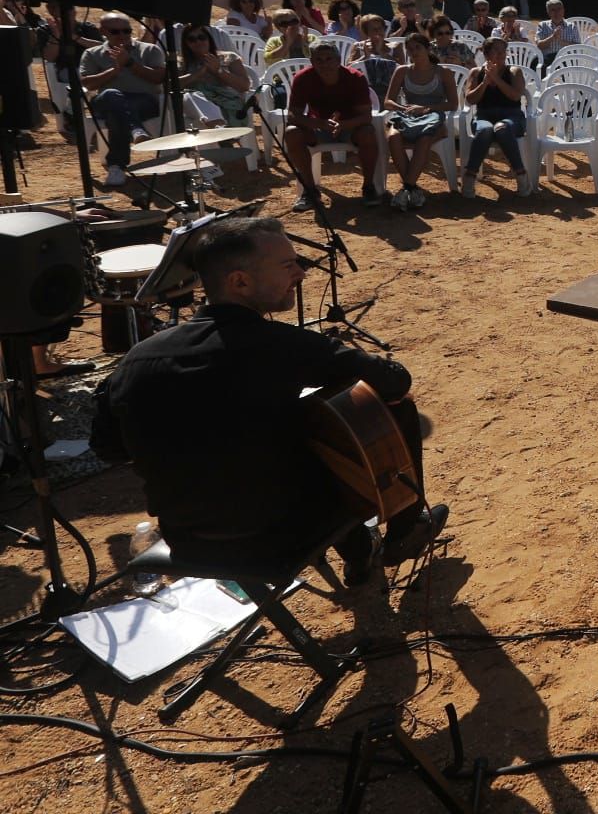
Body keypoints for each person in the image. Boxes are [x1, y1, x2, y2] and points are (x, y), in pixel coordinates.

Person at [89, 217, 447, 587]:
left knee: (276, 449)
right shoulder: (279, 345)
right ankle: (404, 531)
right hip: (279, 536)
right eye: (287, 265)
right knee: (379, 411)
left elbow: (107, 447)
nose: (301, 274)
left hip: (189, 541)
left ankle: (361, 553)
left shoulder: (137, 358)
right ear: (240, 281)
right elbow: (394, 381)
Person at [283, 43, 380, 210]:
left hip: (350, 127)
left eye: (329, 59)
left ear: (338, 60)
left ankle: (369, 187)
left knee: (368, 132)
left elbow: (366, 116)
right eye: (319, 60)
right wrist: (320, 123)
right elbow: (292, 115)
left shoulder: (355, 78)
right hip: (318, 126)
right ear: (312, 62)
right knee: (291, 133)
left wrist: (342, 125)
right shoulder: (303, 78)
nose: (324, 64)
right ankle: (310, 190)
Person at [79, 11, 166, 187]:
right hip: (106, 99)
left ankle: (116, 166)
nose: (122, 36)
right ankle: (137, 131)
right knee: (112, 95)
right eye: (115, 32)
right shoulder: (92, 54)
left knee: (117, 114)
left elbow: (159, 78)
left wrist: (130, 64)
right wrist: (115, 70)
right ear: (103, 31)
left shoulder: (149, 50)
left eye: (126, 31)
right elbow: (87, 83)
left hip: (143, 101)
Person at [384, 33, 455, 210]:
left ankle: (406, 188)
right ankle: (412, 189)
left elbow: (453, 103)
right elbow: (388, 101)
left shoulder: (443, 72)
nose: (414, 52)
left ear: (427, 48)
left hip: (433, 115)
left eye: (418, 47)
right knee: (393, 136)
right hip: (407, 114)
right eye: (410, 49)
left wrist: (426, 108)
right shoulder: (402, 71)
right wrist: (403, 108)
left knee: (424, 139)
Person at [462, 37, 532, 197]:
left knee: (502, 128)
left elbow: (515, 96)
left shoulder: (514, 71)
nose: (501, 54)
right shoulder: (476, 72)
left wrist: (496, 79)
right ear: (487, 54)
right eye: (496, 50)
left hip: (512, 116)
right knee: (485, 130)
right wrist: (485, 82)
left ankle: (521, 175)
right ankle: (470, 176)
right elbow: (470, 99)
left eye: (503, 50)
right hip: (484, 116)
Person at [176, 24, 254, 126]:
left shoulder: (229, 57)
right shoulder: (182, 63)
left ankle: (217, 128)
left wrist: (219, 71)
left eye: (201, 37)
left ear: (209, 39)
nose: (198, 42)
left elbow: (244, 86)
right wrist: (198, 73)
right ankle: (217, 127)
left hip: (229, 107)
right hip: (196, 110)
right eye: (192, 39)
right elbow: (171, 86)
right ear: (186, 44)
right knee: (191, 96)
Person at [347, 13, 398, 94]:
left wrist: (382, 53)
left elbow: (401, 67)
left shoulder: (395, 46)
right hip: (364, 89)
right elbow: (348, 67)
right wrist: (365, 57)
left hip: (389, 89)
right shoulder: (358, 46)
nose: (378, 32)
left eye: (380, 28)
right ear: (367, 32)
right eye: (373, 29)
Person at [535, 0, 579, 67]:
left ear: (563, 10)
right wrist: (553, 37)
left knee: (571, 64)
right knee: (537, 64)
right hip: (547, 59)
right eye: (553, 10)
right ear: (548, 12)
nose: (557, 12)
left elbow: (577, 47)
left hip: (566, 58)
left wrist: (561, 41)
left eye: (559, 9)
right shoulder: (542, 25)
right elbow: (539, 46)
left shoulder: (572, 26)